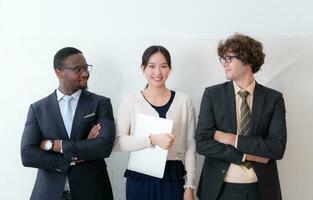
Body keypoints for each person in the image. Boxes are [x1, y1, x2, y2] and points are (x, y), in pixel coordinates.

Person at [196, 33, 287, 200]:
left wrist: (232, 139)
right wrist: (245, 156)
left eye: (229, 58)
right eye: (222, 59)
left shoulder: (273, 99)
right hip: (220, 189)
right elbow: (202, 143)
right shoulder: (212, 95)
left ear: (248, 60)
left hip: (260, 189)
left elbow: (276, 148)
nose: (224, 64)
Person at [21, 47, 115, 200]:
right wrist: (75, 155)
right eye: (78, 69)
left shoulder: (100, 103)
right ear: (59, 72)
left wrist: (57, 146)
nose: (85, 73)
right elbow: (28, 155)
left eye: (86, 68)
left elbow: (104, 146)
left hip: (93, 191)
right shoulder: (38, 108)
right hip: (49, 193)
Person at [114, 45, 196, 200]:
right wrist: (152, 140)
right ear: (143, 68)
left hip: (174, 175)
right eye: (151, 66)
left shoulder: (184, 101)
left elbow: (190, 145)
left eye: (163, 66)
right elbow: (118, 142)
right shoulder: (130, 101)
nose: (158, 72)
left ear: (170, 69)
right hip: (140, 176)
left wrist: (189, 186)